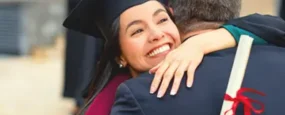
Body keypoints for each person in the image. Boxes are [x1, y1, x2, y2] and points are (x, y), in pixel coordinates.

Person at [63, 0, 285, 114]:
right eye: (137, 31)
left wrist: (201, 43)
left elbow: (273, 26)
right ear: (119, 54)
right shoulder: (116, 100)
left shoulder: (200, 53)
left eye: (162, 20)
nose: (157, 35)